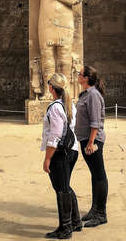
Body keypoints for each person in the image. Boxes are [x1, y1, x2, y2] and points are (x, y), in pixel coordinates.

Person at [41, 73, 82, 239]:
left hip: (61, 152)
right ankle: (75, 221)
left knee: (61, 189)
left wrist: (47, 158)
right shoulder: (69, 104)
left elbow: (55, 135)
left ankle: (65, 228)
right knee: (65, 185)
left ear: (51, 87)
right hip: (72, 149)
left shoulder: (56, 107)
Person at [75, 65, 108, 228]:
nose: (77, 76)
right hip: (85, 139)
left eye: (79, 74)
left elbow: (95, 122)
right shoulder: (85, 94)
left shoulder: (93, 95)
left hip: (92, 140)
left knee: (99, 175)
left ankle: (101, 213)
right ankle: (94, 209)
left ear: (86, 78)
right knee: (94, 175)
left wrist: (91, 142)